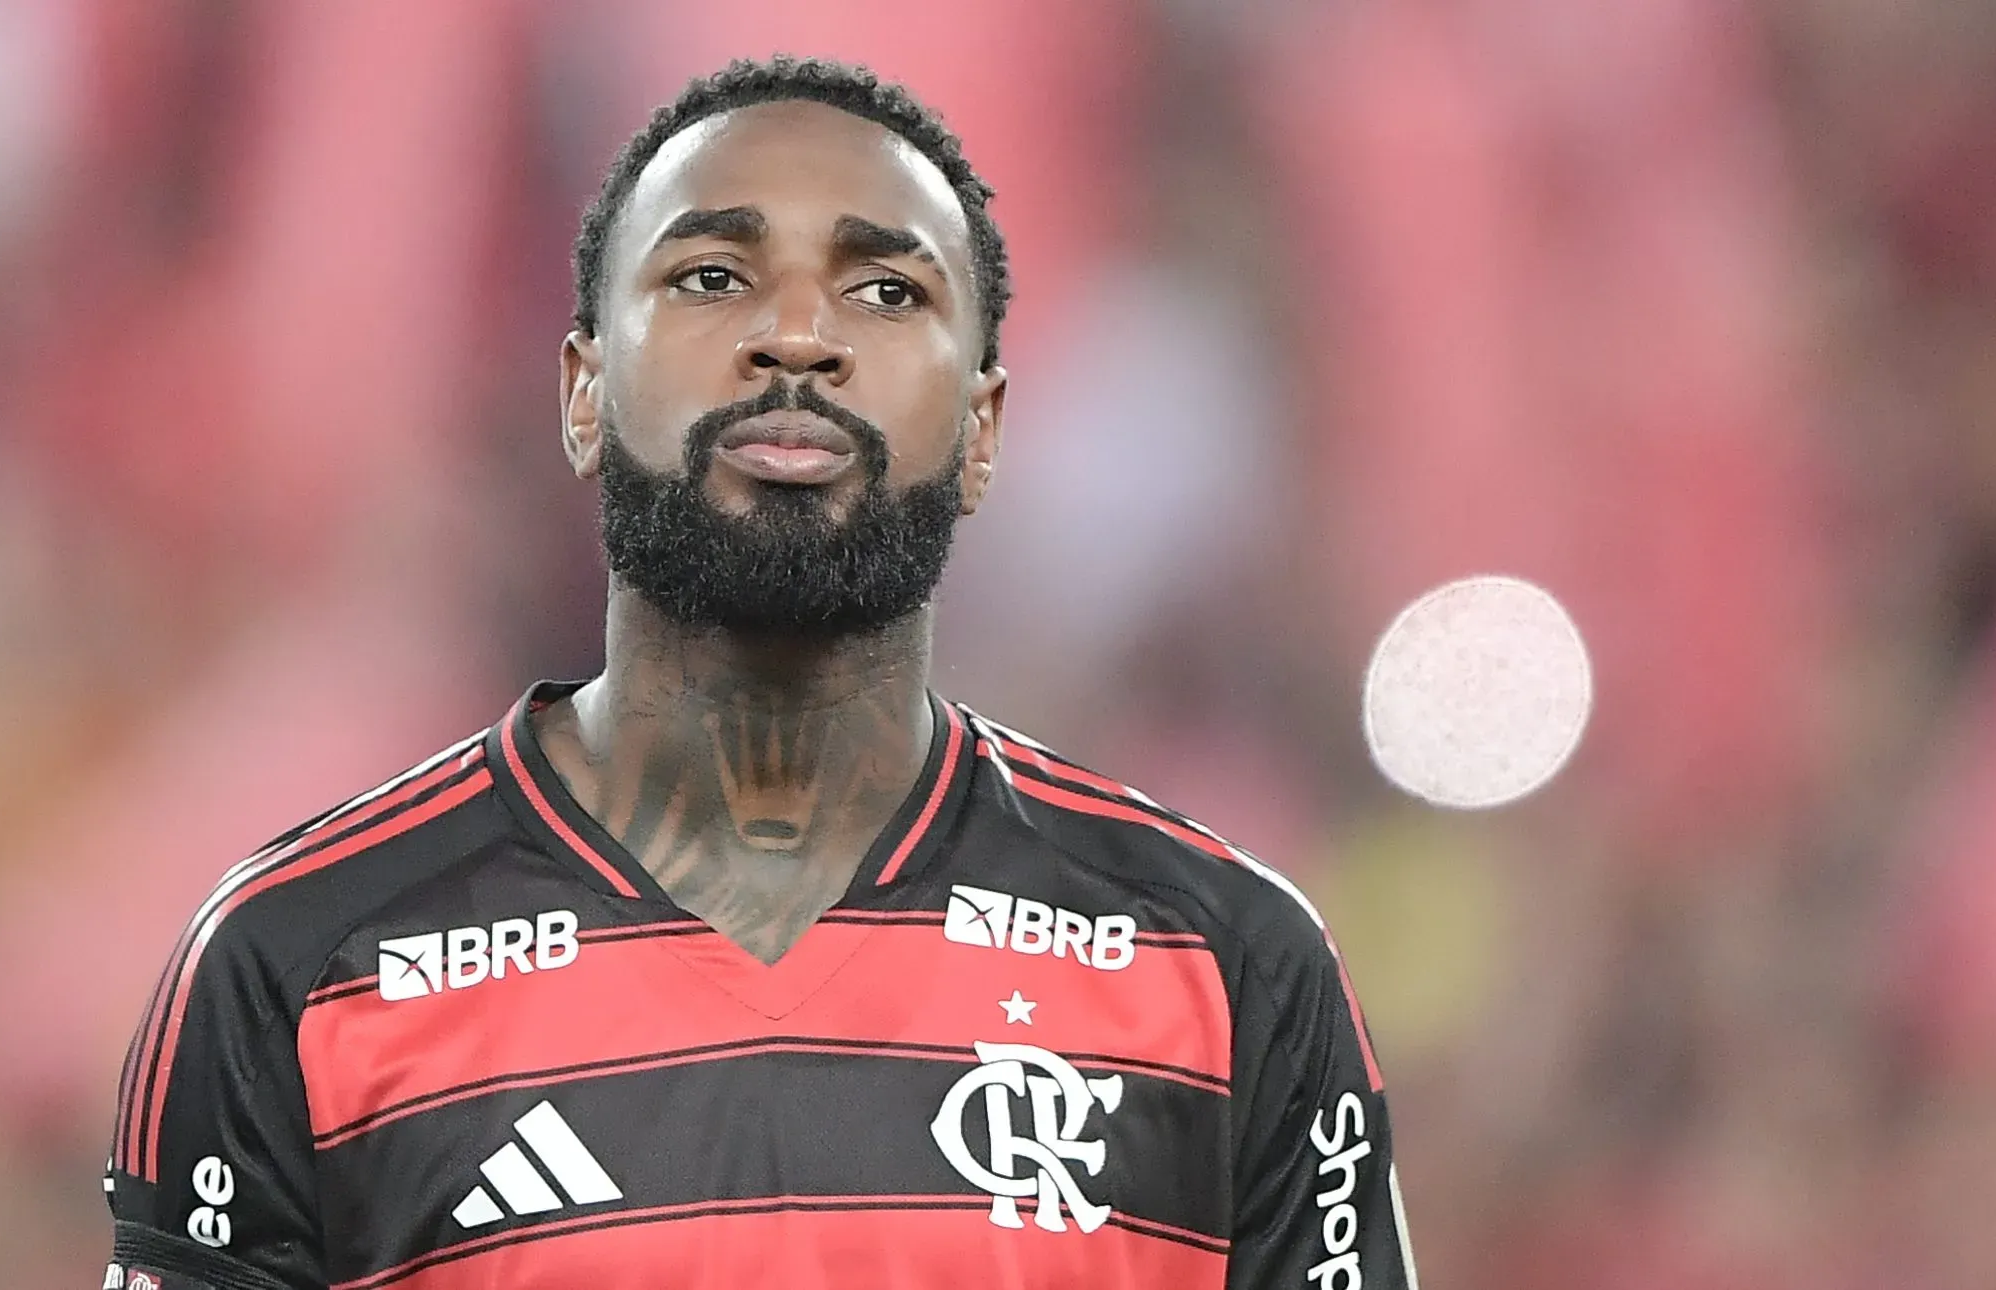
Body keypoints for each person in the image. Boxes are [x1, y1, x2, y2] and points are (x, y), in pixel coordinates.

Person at [103, 55, 1416, 1290]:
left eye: (885, 291)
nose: (796, 335)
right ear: (580, 389)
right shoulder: (298, 964)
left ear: (983, 426)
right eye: (712, 278)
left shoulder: (1224, 971)